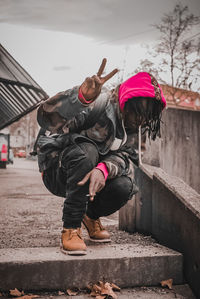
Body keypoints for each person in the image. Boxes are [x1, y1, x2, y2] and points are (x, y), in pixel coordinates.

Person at [36, 58, 166, 255]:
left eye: (149, 114)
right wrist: (79, 99)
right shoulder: (97, 105)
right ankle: (71, 228)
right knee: (88, 150)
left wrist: (103, 169)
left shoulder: (136, 129)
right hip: (56, 170)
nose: (142, 119)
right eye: (140, 110)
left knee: (125, 186)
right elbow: (45, 119)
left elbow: (127, 159)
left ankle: (90, 215)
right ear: (127, 101)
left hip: (89, 177)